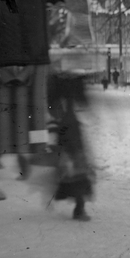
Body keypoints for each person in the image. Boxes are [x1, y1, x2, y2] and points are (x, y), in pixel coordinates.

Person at [47, 74, 95, 221]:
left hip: (69, 137)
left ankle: (79, 207)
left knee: (75, 173)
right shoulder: (64, 101)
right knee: (77, 173)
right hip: (70, 138)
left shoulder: (60, 99)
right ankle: (79, 208)